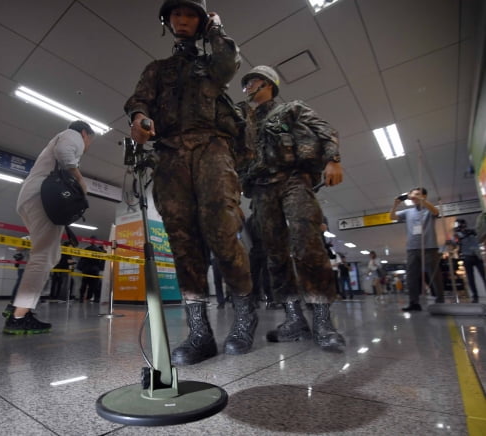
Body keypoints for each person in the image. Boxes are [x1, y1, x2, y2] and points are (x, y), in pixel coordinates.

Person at [124, 0, 258, 365]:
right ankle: (200, 332)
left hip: (212, 148)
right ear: (167, 22)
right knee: (182, 239)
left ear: (200, 22)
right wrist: (139, 118)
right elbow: (140, 101)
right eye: (176, 15)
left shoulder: (210, 64)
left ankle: (245, 315)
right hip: (169, 154)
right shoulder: (157, 69)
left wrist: (215, 28)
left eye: (190, 15)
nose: (181, 21)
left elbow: (229, 64)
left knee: (221, 230)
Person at [237, 65, 345, 352]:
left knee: (307, 243)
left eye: (253, 82)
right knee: (274, 254)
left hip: (293, 179)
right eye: (246, 84)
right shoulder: (245, 121)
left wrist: (333, 159)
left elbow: (324, 129)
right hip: (260, 188)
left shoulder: (292, 109)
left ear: (268, 84)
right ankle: (294, 319)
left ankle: (323, 321)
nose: (247, 87)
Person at [3, 120, 94, 334]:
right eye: (90, 140)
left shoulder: (56, 140)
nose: (88, 144)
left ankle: (17, 308)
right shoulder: (73, 135)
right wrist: (80, 180)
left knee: (47, 255)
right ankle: (19, 316)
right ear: (84, 133)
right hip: (43, 198)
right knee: (44, 256)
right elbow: (65, 152)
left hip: (32, 198)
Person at [390, 187, 445, 311]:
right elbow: (392, 217)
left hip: (429, 247)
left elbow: (436, 212)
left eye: (418, 194)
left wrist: (422, 200)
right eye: (412, 194)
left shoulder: (429, 209)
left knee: (434, 275)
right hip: (412, 249)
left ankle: (440, 301)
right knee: (411, 276)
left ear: (424, 196)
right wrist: (395, 204)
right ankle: (414, 303)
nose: (414, 196)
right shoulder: (408, 212)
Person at [453, 218, 484, 303]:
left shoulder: (469, 232)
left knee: (480, 276)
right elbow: (455, 244)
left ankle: (475, 296)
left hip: (474, 256)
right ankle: (475, 296)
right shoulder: (458, 234)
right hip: (468, 256)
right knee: (471, 278)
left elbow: (477, 240)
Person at [76, 236, 106, 303]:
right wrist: (100, 268)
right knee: (95, 285)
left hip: (86, 269)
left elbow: (82, 260)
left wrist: (81, 268)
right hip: (95, 270)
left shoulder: (86, 249)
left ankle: (81, 298)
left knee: (84, 284)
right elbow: (102, 261)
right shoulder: (99, 251)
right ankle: (96, 298)